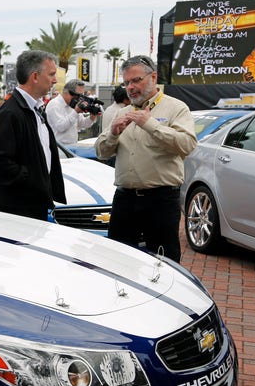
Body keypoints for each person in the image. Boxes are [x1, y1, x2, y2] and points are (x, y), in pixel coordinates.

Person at [94, 55, 197, 262]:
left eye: (136, 80)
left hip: (160, 199)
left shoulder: (176, 108)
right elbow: (101, 152)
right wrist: (113, 133)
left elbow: (187, 144)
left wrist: (151, 125)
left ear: (153, 77)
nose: (130, 87)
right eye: (126, 83)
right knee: (119, 259)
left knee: (162, 262)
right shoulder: (122, 112)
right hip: (125, 199)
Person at [0, 50, 65, 221]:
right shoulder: (11, 113)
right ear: (35, 76)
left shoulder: (34, 109)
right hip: (18, 211)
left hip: (34, 206)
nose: (55, 80)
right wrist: (30, 180)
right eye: (51, 74)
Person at [46, 79, 98, 145]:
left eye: (81, 95)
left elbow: (83, 123)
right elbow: (60, 127)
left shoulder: (73, 105)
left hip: (73, 145)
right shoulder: (54, 105)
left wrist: (92, 116)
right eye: (77, 95)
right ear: (68, 92)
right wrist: (76, 112)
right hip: (59, 148)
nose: (79, 98)